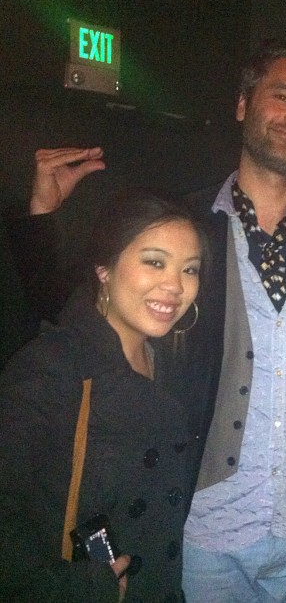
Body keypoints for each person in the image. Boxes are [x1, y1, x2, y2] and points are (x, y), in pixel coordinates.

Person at [10, 40, 286, 602]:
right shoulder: (185, 224)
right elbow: (87, 311)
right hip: (202, 531)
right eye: (283, 96)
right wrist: (42, 218)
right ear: (243, 104)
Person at [0, 193, 205, 602]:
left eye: (190, 269)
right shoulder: (51, 368)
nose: (175, 286)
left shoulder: (172, 366)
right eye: (155, 262)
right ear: (104, 268)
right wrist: (76, 588)